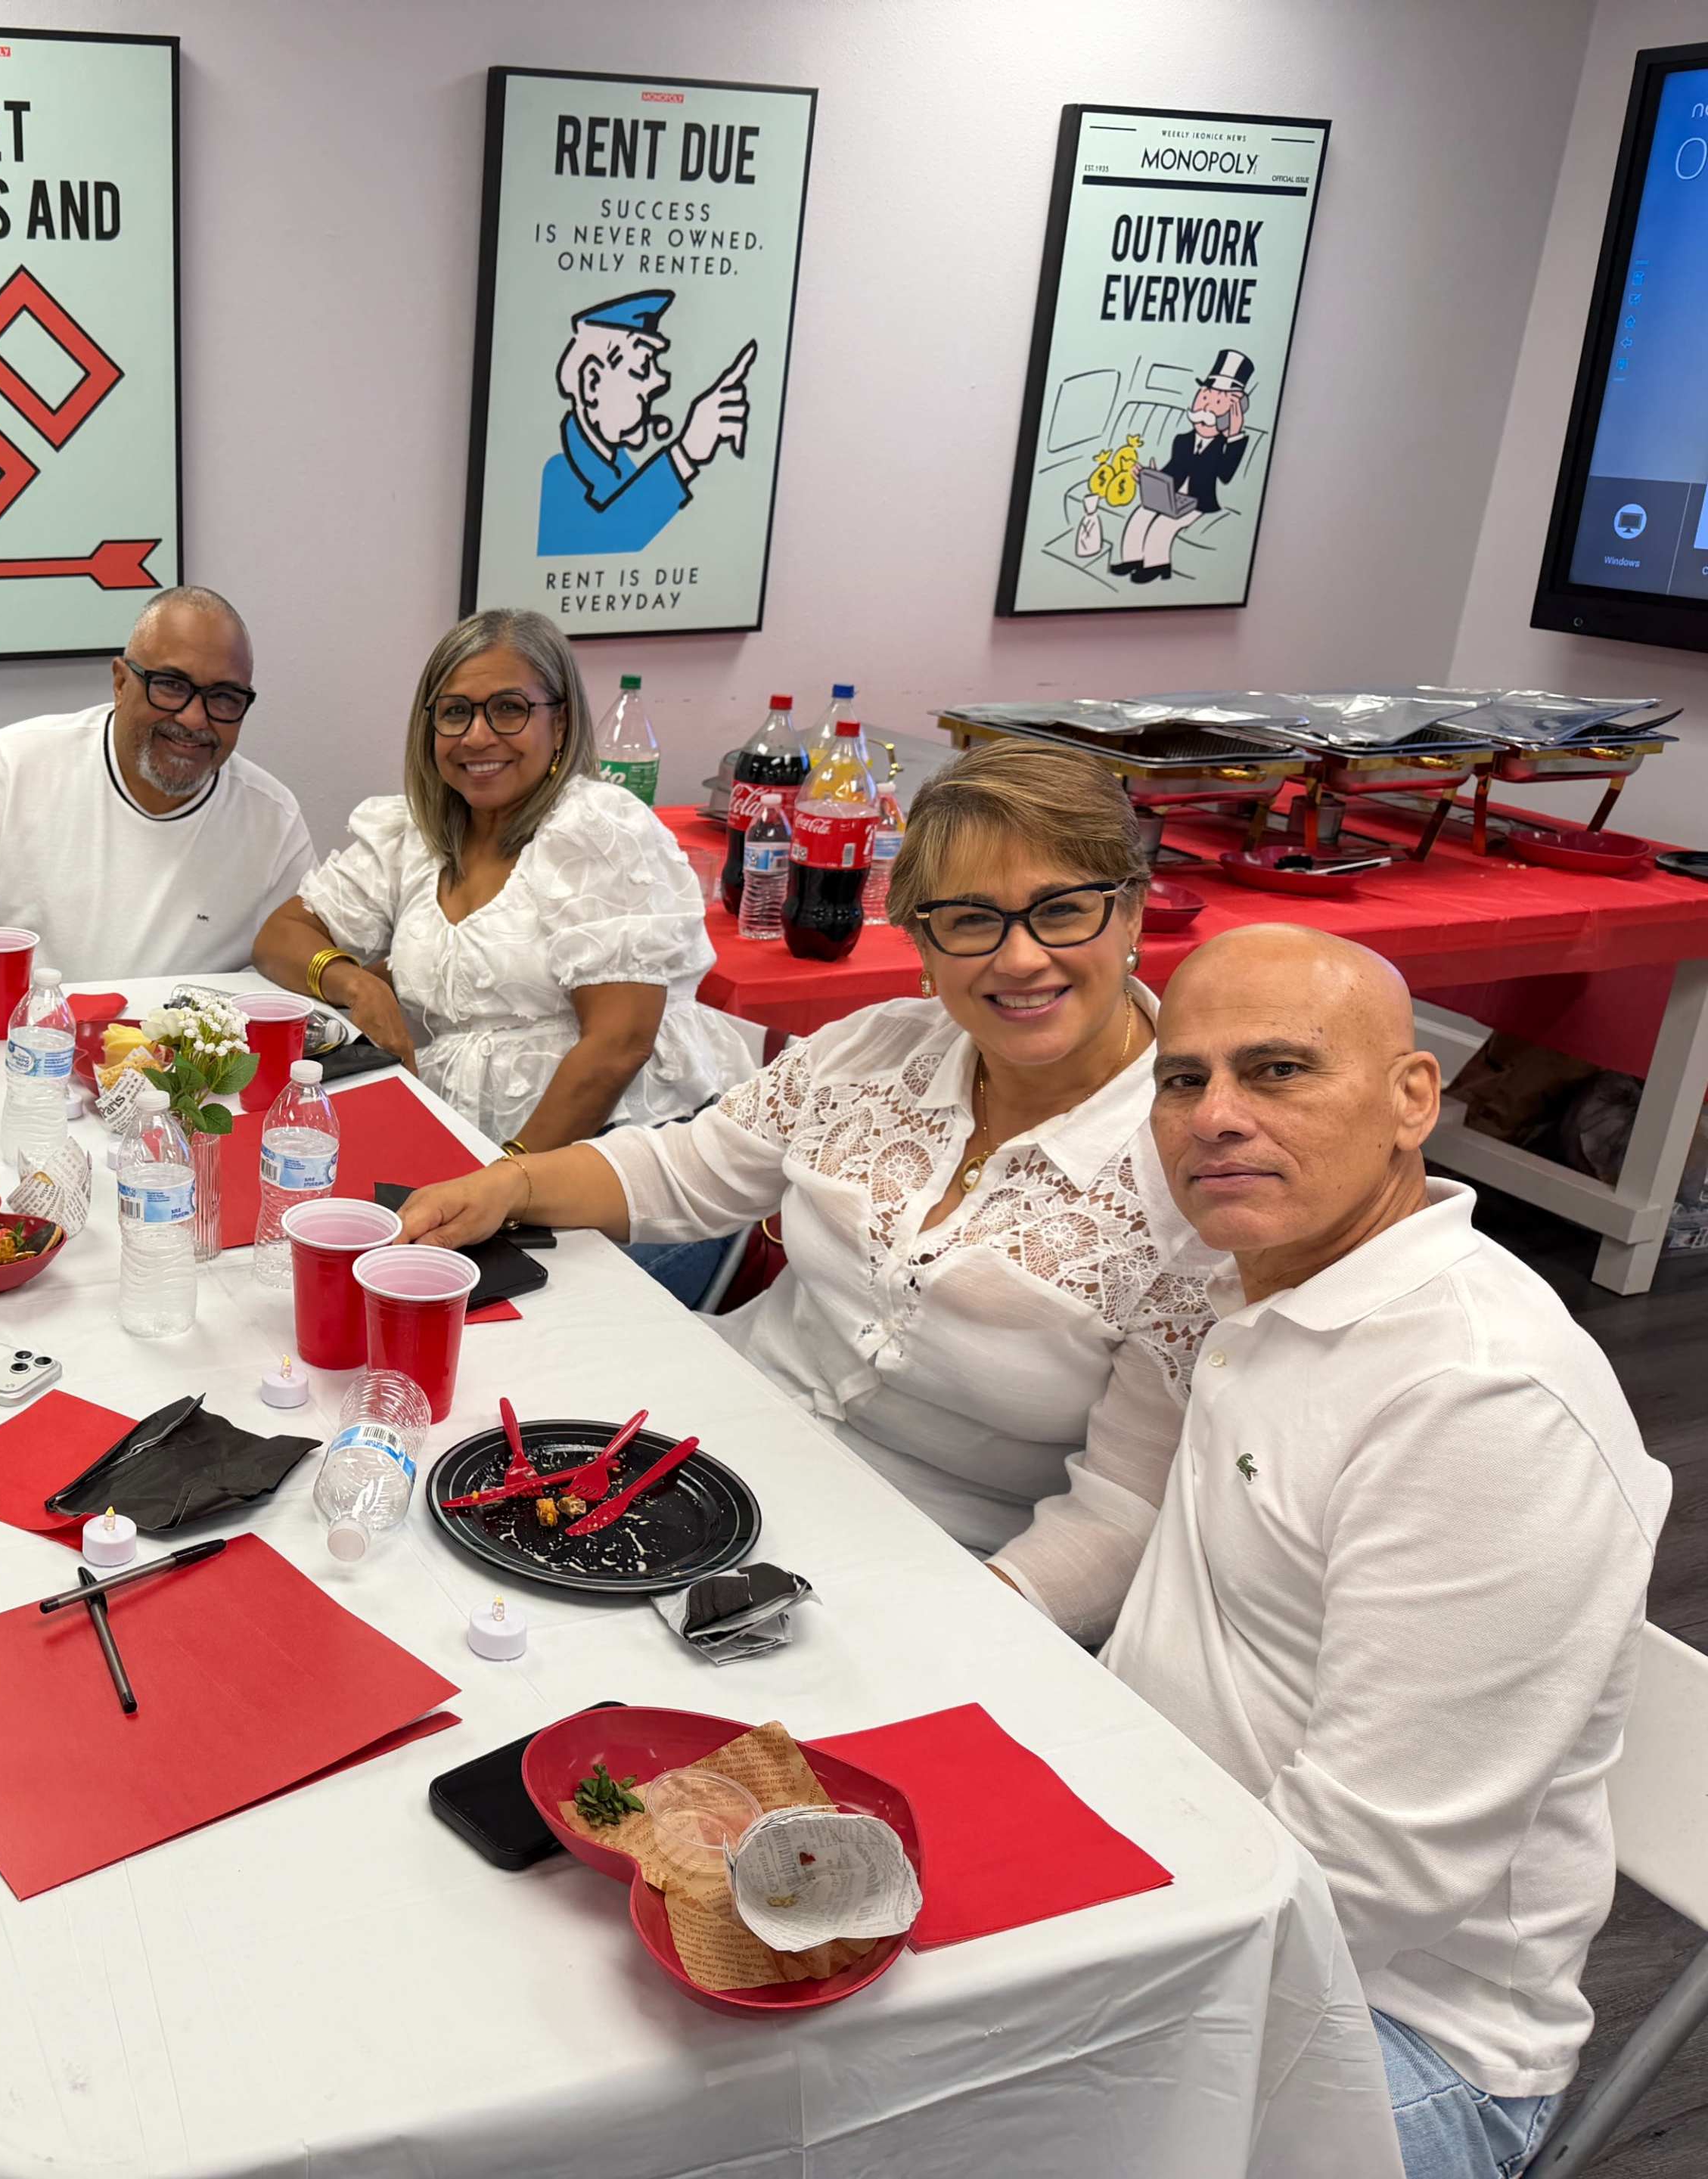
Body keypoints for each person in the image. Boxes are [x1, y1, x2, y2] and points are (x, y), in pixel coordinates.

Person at [396, 740, 1222, 1642]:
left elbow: (1122, 1513)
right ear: (920, 942)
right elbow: (684, 1172)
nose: (1020, 959)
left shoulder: (1200, 1167)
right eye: (970, 920)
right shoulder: (875, 1050)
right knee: (423, 1524)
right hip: (698, 1448)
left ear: (1133, 911)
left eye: (1062, 911)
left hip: (921, 1561)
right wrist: (507, 1183)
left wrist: (971, 1638)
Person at [1110, 926, 1668, 2179]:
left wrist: (1053, 1959)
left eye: (1280, 1071)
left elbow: (1368, 1880)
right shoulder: (1261, 1278)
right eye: (1184, 1079)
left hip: (1391, 2035)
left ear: (1416, 1098)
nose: (1217, 1118)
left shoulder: (1480, 1401)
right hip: (1194, 1888)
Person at [253, 608, 754, 1190]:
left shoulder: (597, 829)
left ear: (560, 723)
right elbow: (279, 937)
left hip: (624, 1160)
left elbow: (619, 1046)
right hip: (472, 1152)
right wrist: (357, 983)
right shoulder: (414, 832)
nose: (477, 735)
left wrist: (505, 1183)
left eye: (509, 709)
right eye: (455, 711)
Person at [0, 585, 312, 989]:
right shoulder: (17, 765)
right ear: (120, 682)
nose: (195, 718)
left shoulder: (272, 818)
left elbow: (299, 956)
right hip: (23, 1057)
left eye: (224, 698)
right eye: (171, 686)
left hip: (188, 1076)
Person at [536, 290, 755, 557]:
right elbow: (611, 535)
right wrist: (686, 454)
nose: (660, 381)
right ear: (592, 382)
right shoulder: (559, 474)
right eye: (643, 366)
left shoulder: (620, 467)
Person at [1111, 348, 1253, 584]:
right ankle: (1132, 560)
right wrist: (1149, 477)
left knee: (1163, 526)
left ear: (1230, 415)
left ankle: (1158, 566)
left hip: (1199, 502)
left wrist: (1235, 435)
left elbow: (1226, 476)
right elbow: (1173, 470)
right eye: (1205, 398)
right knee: (1141, 514)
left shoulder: (1224, 446)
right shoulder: (1183, 440)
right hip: (1172, 496)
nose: (1206, 408)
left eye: (1217, 402)